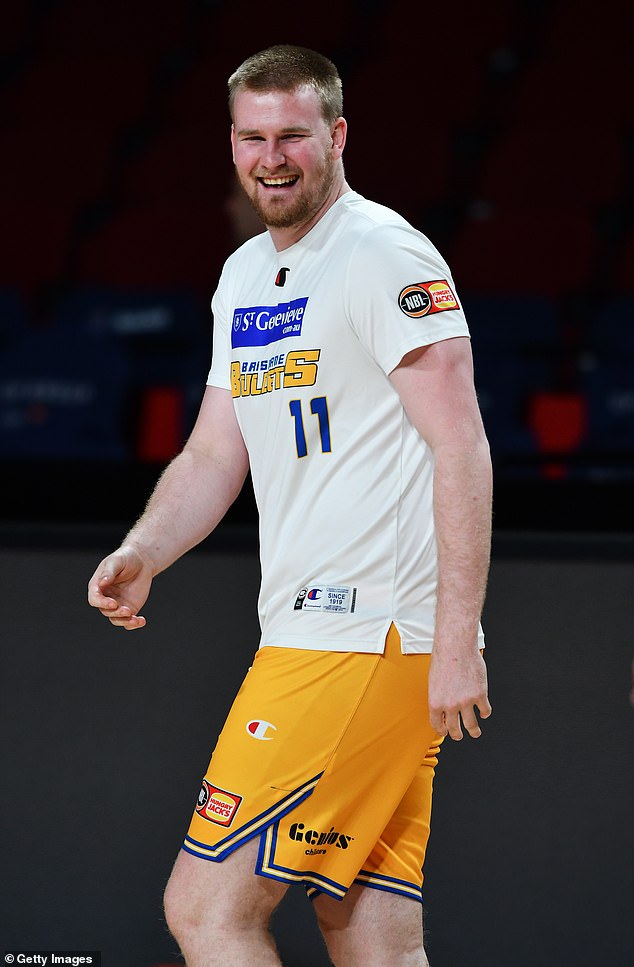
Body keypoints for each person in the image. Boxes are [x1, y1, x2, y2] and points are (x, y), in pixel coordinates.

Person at [88, 44, 492, 967]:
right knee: (370, 931)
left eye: (294, 136)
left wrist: (456, 632)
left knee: (206, 908)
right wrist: (145, 551)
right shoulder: (245, 275)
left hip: (364, 638)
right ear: (230, 143)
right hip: (325, 636)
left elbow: (461, 445)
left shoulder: (383, 254)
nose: (272, 157)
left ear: (338, 136)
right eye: (252, 137)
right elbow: (212, 451)